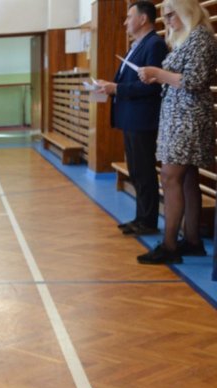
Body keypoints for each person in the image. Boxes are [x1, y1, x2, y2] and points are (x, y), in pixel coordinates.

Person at [137, 0, 217, 264]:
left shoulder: (200, 37)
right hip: (179, 116)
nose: (167, 21)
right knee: (187, 178)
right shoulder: (187, 38)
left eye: (171, 15)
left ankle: (169, 245)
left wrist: (158, 74)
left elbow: (194, 80)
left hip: (188, 117)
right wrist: (157, 76)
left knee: (170, 177)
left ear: (186, 11)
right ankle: (192, 240)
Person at [97, 1, 168, 237]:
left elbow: (152, 86)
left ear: (143, 19)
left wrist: (117, 88)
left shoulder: (154, 44)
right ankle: (140, 218)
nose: (126, 22)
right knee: (136, 171)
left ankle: (148, 221)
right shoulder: (137, 45)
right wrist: (111, 86)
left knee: (144, 171)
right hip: (131, 118)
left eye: (129, 17)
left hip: (142, 119)